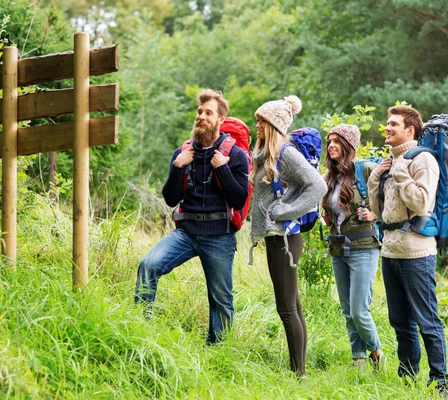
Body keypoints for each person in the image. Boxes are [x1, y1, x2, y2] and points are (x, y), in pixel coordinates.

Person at [134, 88, 249, 344]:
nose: (202, 117)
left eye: (209, 113)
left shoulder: (236, 155)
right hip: (186, 232)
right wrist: (178, 167)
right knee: (148, 266)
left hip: (220, 235)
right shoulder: (182, 153)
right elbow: (170, 199)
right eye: (199, 112)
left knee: (221, 299)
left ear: (220, 119)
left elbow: (239, 199)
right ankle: (139, 329)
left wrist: (222, 169)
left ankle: (218, 352)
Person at [367, 106, 448, 394]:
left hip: (417, 253)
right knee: (400, 321)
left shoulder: (423, 160)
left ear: (410, 130)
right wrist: (376, 177)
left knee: (427, 320)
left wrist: (400, 171)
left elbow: (421, 203)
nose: (387, 128)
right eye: (387, 123)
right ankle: (407, 380)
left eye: (393, 124)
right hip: (390, 252)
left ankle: (440, 382)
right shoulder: (392, 162)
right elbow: (379, 212)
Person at [250, 95, 327, 377]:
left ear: (274, 124)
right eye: (257, 119)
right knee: (292, 304)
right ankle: (299, 370)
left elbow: (317, 186)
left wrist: (285, 211)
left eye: (262, 120)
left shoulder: (287, 154)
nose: (257, 124)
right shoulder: (267, 155)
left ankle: (299, 374)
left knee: (286, 307)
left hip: (285, 237)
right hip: (277, 237)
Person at [321, 124, 383, 369]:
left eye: (337, 141)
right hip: (338, 248)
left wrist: (375, 213)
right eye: (330, 141)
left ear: (350, 146)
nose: (332, 145)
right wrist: (327, 216)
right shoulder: (331, 176)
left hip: (363, 247)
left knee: (359, 310)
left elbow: (392, 196)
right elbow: (336, 210)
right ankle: (357, 357)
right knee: (347, 310)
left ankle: (376, 351)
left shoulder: (366, 169)